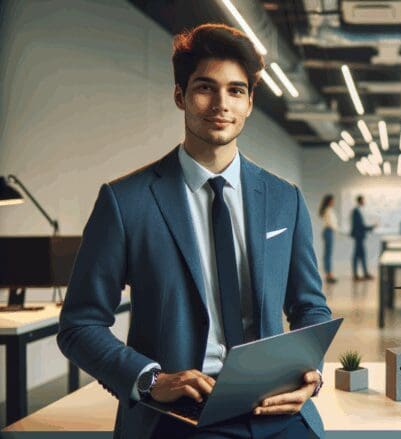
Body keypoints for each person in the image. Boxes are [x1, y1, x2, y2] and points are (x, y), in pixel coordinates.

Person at [57, 24, 332, 438]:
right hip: (179, 417)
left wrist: (310, 374)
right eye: (206, 88)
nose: (221, 104)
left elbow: (310, 308)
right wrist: (150, 380)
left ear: (250, 102)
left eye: (236, 90)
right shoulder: (125, 201)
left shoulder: (284, 198)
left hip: (278, 412)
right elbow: (80, 325)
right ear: (180, 96)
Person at [350, 195, 375, 281]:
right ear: (360, 201)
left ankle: (364, 273)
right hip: (358, 236)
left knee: (361, 255)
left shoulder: (358, 211)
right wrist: (371, 227)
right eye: (363, 200)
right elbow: (359, 225)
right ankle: (357, 274)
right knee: (357, 256)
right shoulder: (356, 211)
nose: (364, 202)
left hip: (360, 236)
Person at [318, 194, 338, 284]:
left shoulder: (328, 210)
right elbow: (331, 224)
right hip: (328, 231)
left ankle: (329, 274)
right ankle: (329, 274)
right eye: (332, 200)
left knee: (328, 254)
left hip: (329, 232)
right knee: (328, 255)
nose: (334, 202)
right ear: (329, 201)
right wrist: (338, 229)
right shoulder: (328, 210)